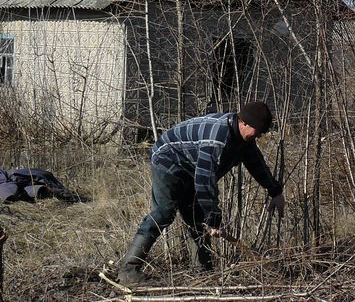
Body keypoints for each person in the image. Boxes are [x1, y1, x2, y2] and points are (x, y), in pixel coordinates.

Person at [118, 101, 285, 285]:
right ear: (244, 122)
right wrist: (213, 219)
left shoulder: (244, 139)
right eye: (259, 131)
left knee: (197, 219)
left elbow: (256, 163)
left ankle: (203, 273)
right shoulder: (217, 137)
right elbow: (204, 180)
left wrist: (275, 191)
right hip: (168, 158)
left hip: (190, 166)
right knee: (163, 213)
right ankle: (128, 270)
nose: (260, 136)